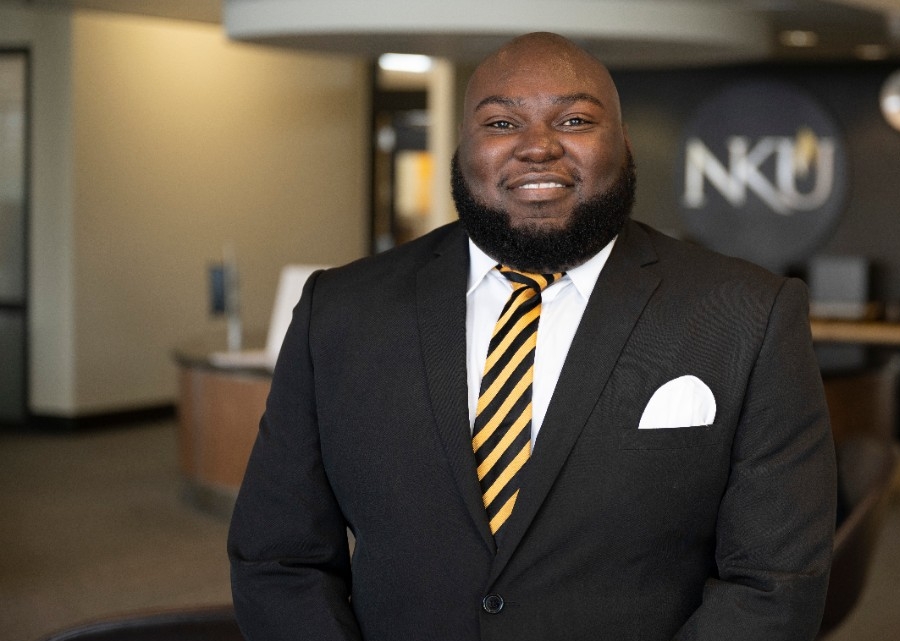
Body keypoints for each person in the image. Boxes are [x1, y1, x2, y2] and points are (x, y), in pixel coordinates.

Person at [228, 31, 836, 641]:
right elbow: (279, 556)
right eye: (500, 123)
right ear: (462, 148)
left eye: (573, 119)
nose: (538, 147)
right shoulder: (339, 311)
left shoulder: (749, 314)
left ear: (622, 144)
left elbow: (773, 583)